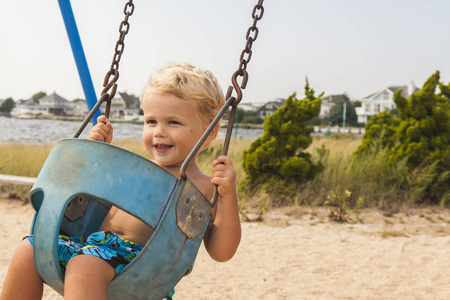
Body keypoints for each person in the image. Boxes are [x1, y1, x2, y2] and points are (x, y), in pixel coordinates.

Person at [1, 63, 241, 300]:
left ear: (209, 132)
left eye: (173, 122)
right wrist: (95, 154)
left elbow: (222, 252)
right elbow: (86, 203)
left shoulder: (207, 186)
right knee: (28, 250)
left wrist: (229, 196)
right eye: (151, 121)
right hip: (92, 248)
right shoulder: (130, 172)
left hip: (144, 268)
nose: (158, 131)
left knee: (84, 265)